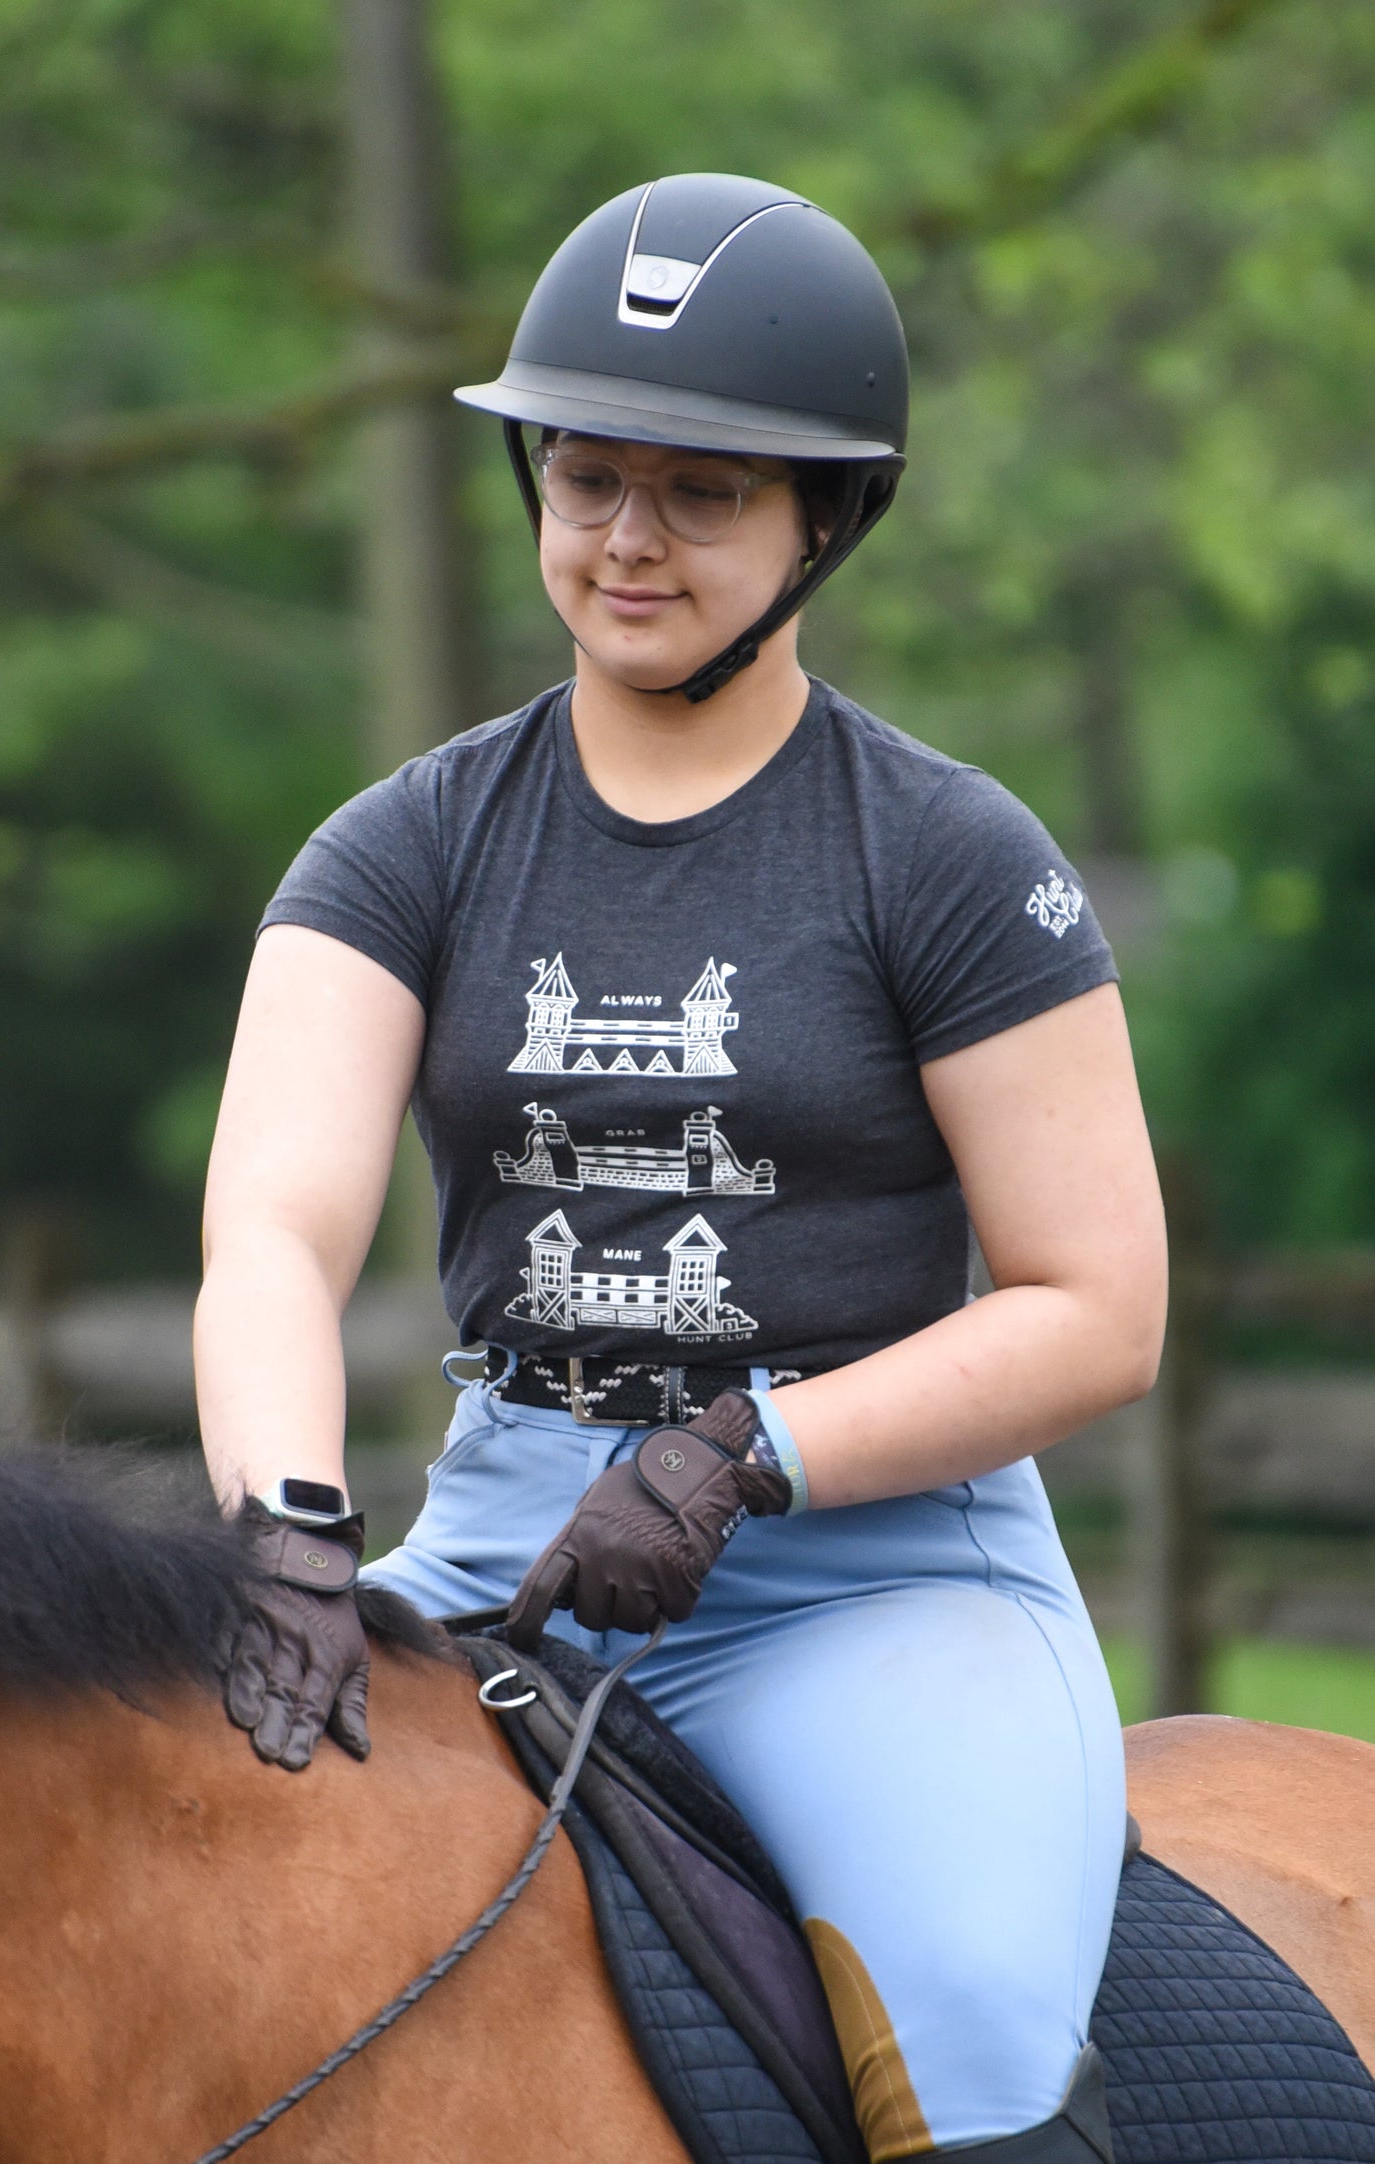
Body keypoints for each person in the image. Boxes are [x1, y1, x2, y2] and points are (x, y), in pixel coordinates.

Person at [195, 173, 1167, 2162]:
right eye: (586, 477)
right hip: (503, 1545)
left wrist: (746, 1448)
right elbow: (276, 1226)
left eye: (701, 491)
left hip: (868, 1573)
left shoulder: (950, 855)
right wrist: (288, 1523)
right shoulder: (406, 842)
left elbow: (1101, 1304)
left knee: (977, 2036)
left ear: (827, 516)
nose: (627, 540)